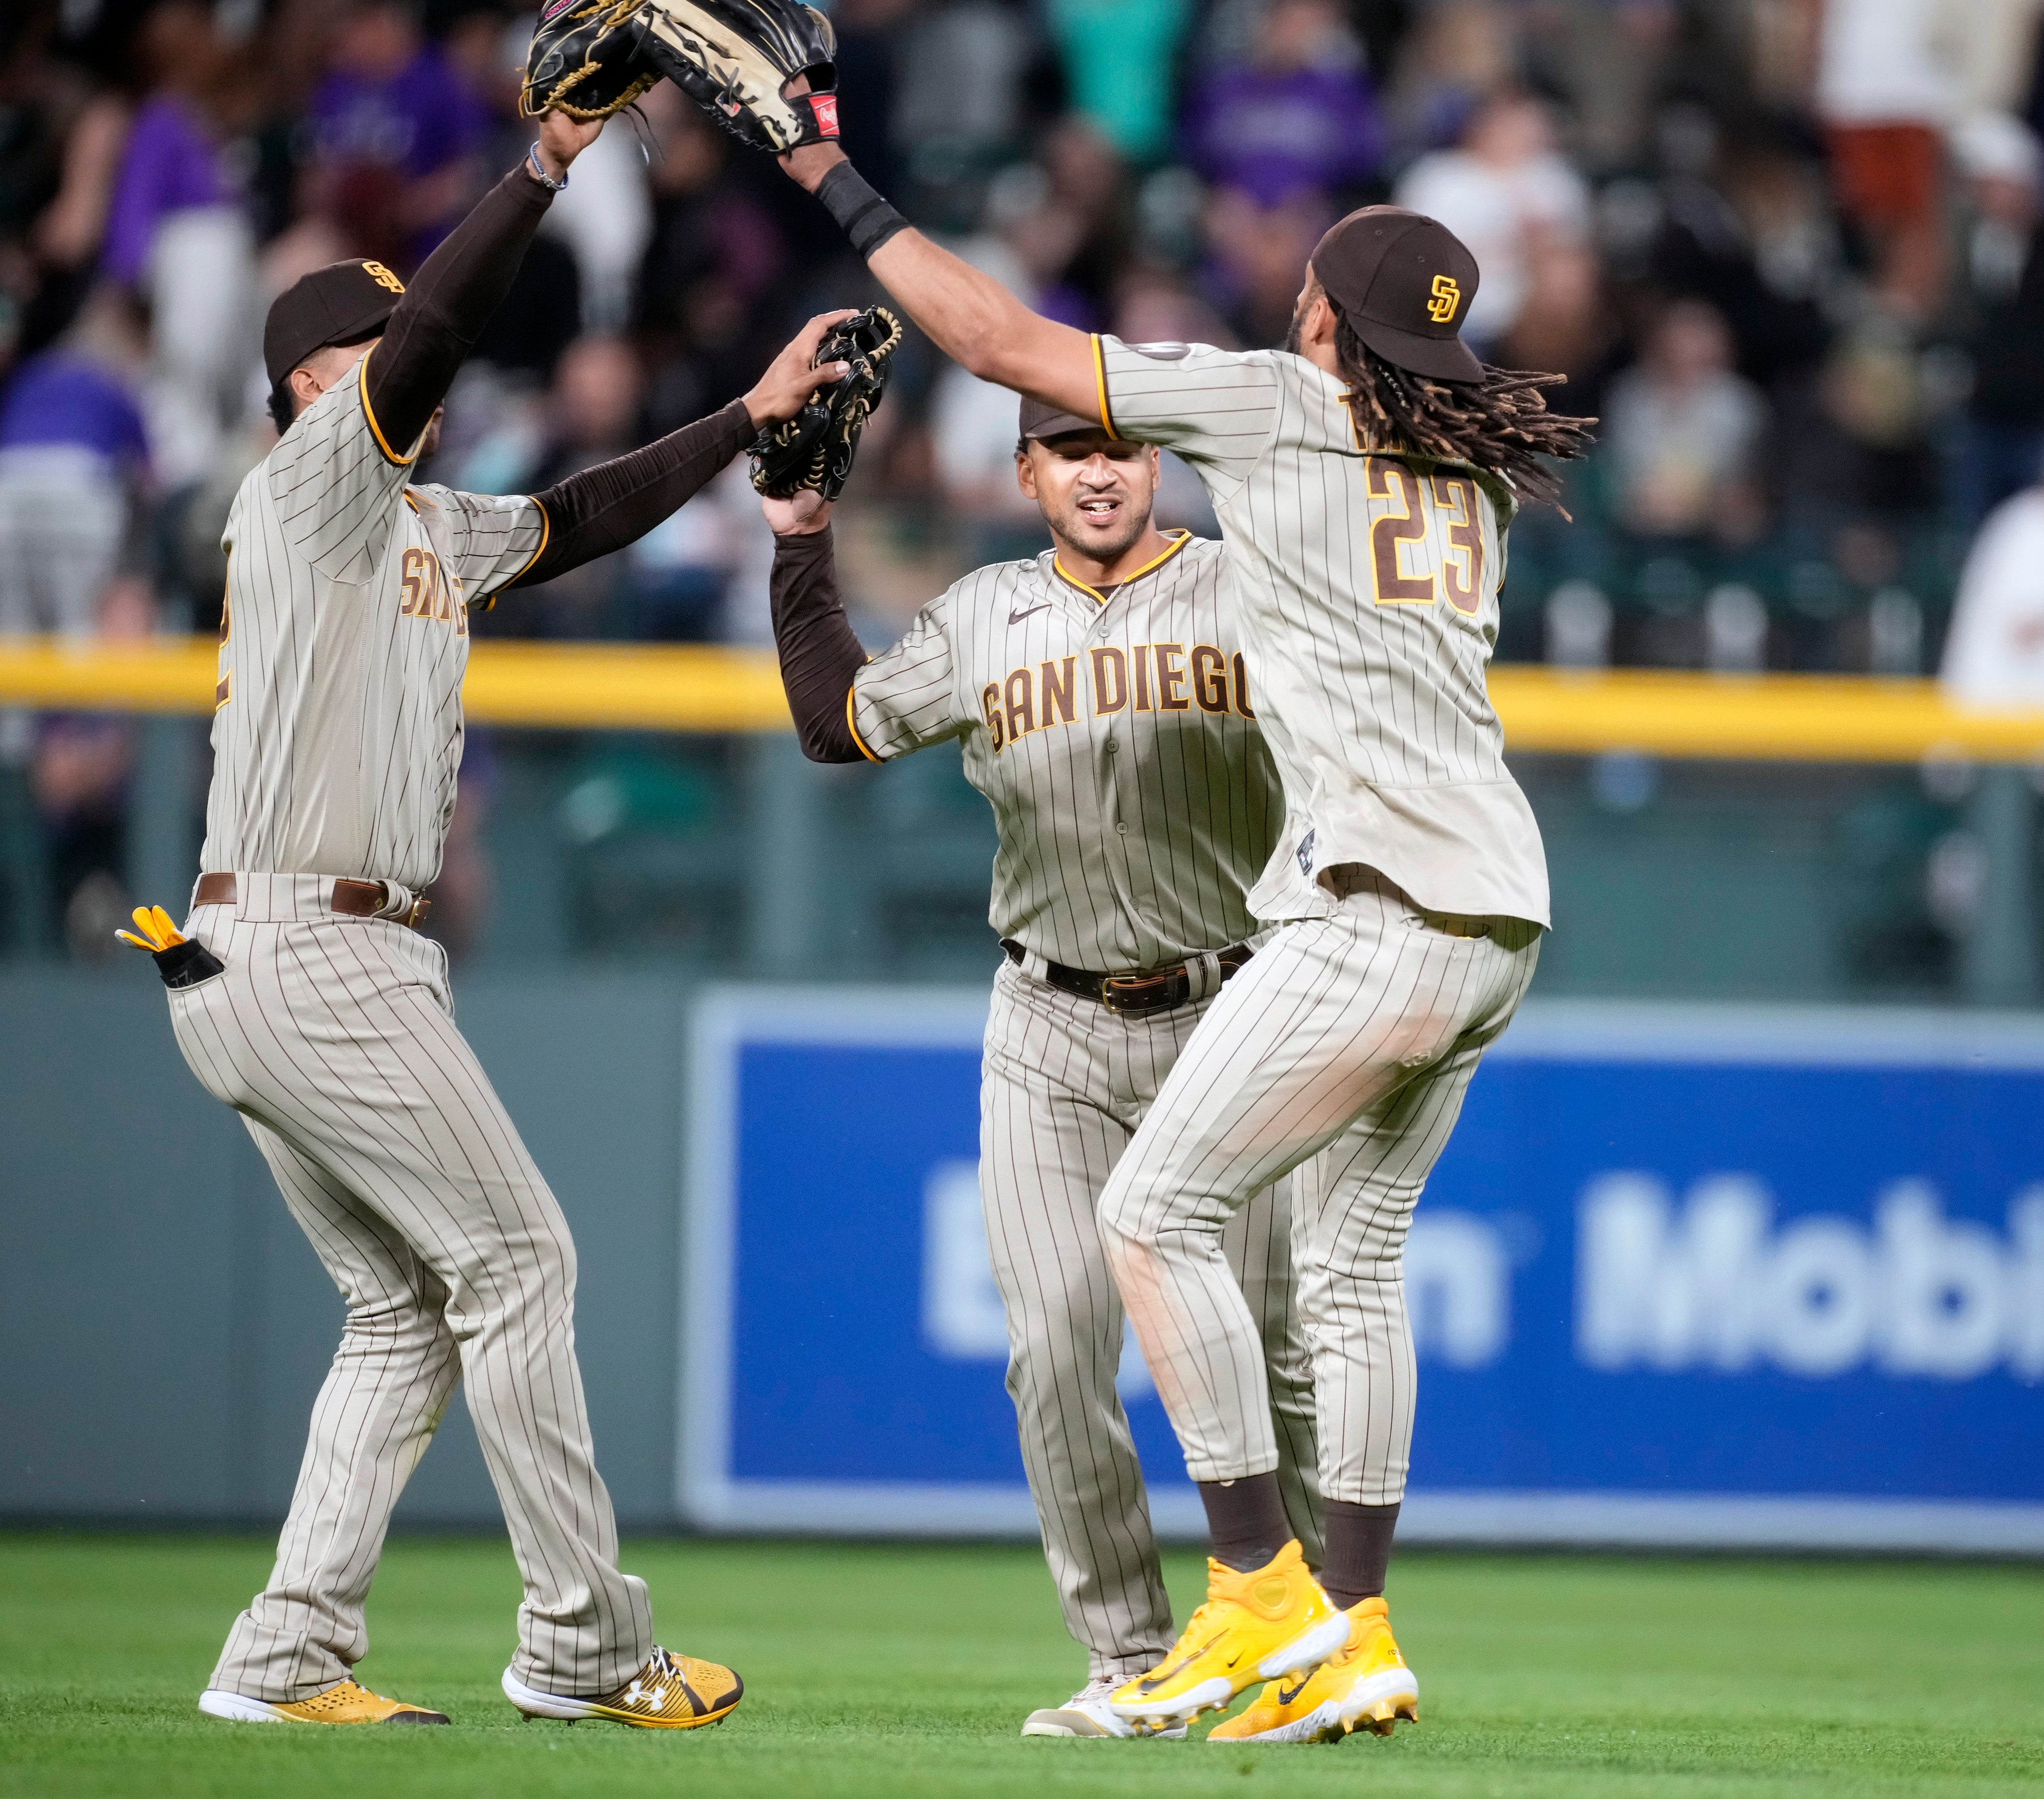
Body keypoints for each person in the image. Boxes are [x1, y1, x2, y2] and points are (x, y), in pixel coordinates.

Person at [778, 119, 1589, 1743]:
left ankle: (1250, 1594)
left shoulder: (1289, 408)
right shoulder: (1469, 467)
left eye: (1303, 297)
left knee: (1153, 1213)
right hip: (1501, 904)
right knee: (1352, 1270)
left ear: (1322, 330)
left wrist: (825, 182)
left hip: (1371, 901)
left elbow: (998, 336)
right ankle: (1353, 1630)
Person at [167, 107, 850, 1729]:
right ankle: (585, 1642)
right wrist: (546, 160)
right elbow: (435, 339)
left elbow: (577, 519)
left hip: (276, 950)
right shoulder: (315, 485)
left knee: (409, 1306)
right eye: (370, 349)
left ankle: (282, 1653)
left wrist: (743, 419)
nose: (412, 365)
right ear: (304, 391)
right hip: (309, 942)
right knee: (522, 1260)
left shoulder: (409, 526)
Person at [763, 394, 1322, 1738]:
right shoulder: (979, 616)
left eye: (1120, 446)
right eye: (1070, 450)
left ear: (1157, 460)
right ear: (1026, 469)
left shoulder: (1247, 588)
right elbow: (837, 724)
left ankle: (1316, 1631)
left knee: (1273, 1348)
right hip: (1048, 1021)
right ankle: (1131, 1657)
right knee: (1054, 1345)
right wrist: (799, 539)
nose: (1099, 472)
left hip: (1225, 1009)